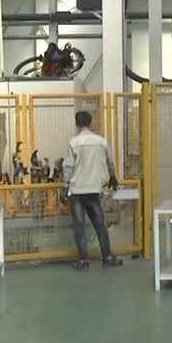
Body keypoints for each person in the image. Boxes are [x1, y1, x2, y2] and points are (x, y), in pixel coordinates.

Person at [62, 110, 123, 271]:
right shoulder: (101, 142)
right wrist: (113, 177)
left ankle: (83, 261)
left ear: (77, 124)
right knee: (100, 225)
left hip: (76, 191)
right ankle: (107, 257)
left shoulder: (73, 143)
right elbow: (110, 162)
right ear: (91, 122)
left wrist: (65, 186)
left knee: (79, 227)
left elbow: (68, 167)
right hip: (94, 190)